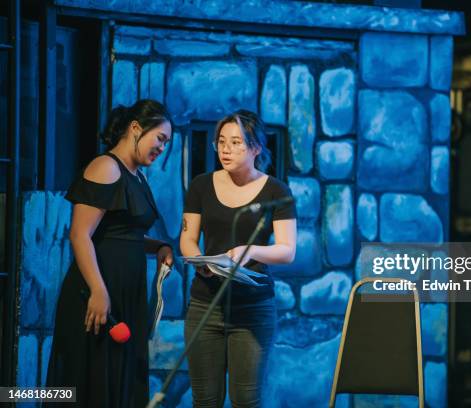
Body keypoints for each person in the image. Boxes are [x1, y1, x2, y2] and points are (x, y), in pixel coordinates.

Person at [45, 99, 175, 407]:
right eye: (160, 138)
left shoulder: (138, 176)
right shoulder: (106, 167)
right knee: (90, 381)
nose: (162, 148)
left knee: (121, 384)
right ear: (135, 128)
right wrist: (98, 290)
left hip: (125, 294)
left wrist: (159, 246)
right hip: (98, 291)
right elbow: (80, 233)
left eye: (166, 143)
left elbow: (124, 236)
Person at [180, 109, 297, 407]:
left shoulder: (276, 190)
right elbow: (188, 238)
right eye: (221, 142)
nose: (226, 150)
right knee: (205, 400)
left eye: (236, 143)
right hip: (206, 304)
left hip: (253, 308)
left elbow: (287, 250)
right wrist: (201, 261)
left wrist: (251, 251)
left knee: (246, 399)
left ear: (256, 147)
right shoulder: (201, 185)